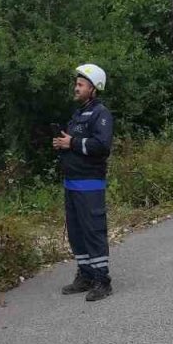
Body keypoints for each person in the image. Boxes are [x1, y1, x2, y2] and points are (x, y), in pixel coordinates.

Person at [53, 64, 115, 301]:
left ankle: (102, 280)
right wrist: (62, 144)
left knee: (93, 232)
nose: (76, 88)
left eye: (80, 84)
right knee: (77, 234)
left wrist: (73, 143)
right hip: (71, 184)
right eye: (76, 84)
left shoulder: (101, 114)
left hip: (90, 185)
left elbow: (102, 146)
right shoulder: (77, 115)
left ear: (93, 88)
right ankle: (85, 275)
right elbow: (75, 143)